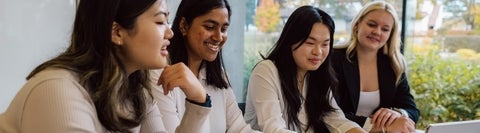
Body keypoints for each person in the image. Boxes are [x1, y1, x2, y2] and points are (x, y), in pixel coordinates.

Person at [0, 0, 211, 132]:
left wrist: (198, 101)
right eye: (159, 22)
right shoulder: (57, 90)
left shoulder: (135, 91)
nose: (170, 32)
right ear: (117, 32)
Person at [244, 5, 367, 133]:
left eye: (325, 44)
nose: (318, 52)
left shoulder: (317, 75)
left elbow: (337, 120)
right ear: (291, 40)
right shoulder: (266, 71)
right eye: (310, 43)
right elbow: (273, 129)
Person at [152, 0, 259, 132]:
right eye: (209, 27)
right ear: (184, 26)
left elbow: (240, 129)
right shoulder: (160, 73)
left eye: (224, 29)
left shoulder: (218, 76)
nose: (219, 37)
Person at [332, 1, 419, 133]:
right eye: (371, 24)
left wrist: (398, 113)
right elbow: (330, 112)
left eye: (385, 29)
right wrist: (381, 127)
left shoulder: (394, 64)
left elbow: (411, 109)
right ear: (357, 25)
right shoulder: (334, 59)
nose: (377, 32)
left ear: (390, 34)